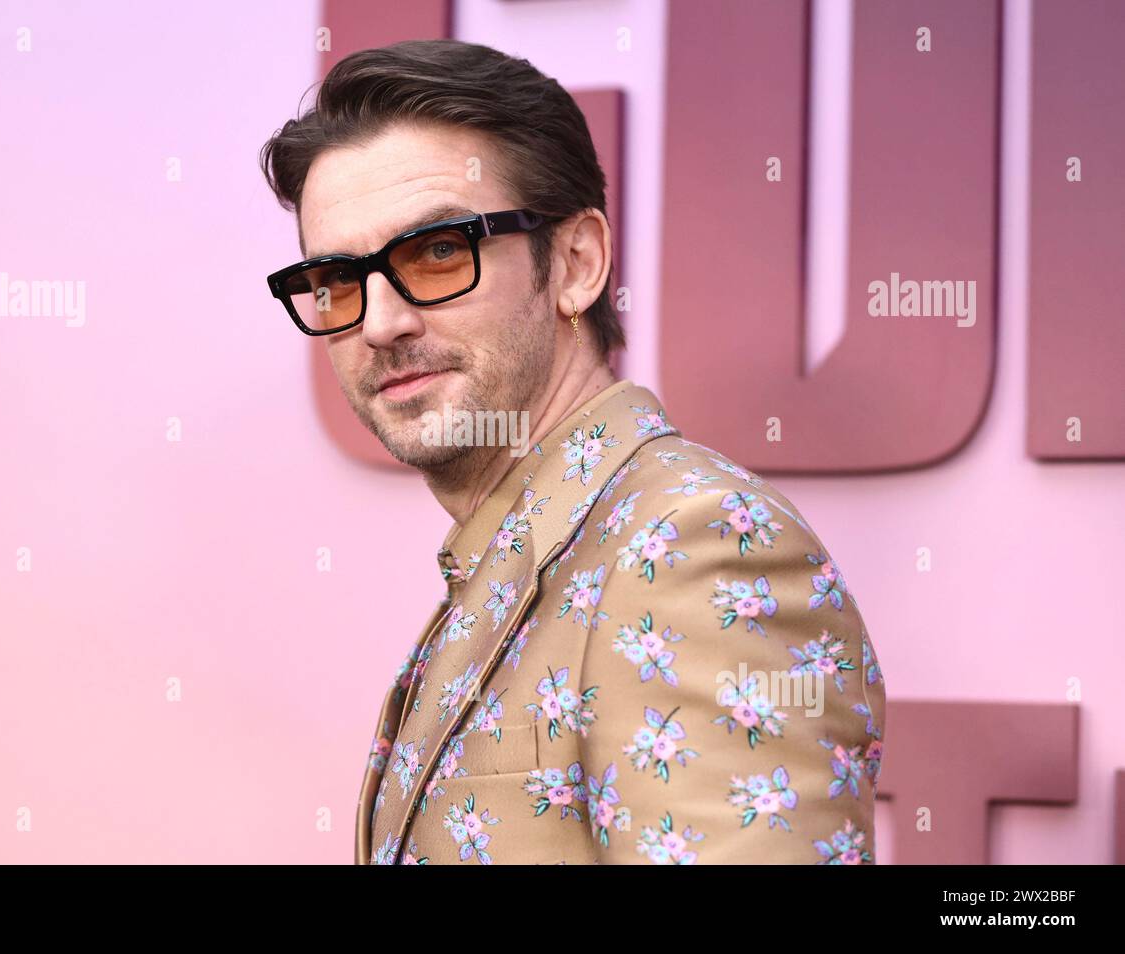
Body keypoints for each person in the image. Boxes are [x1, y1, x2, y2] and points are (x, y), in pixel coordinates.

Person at [260, 38, 885, 865]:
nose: (380, 324)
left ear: (578, 263)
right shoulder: (519, 553)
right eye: (338, 279)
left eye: (439, 251)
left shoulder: (701, 545)